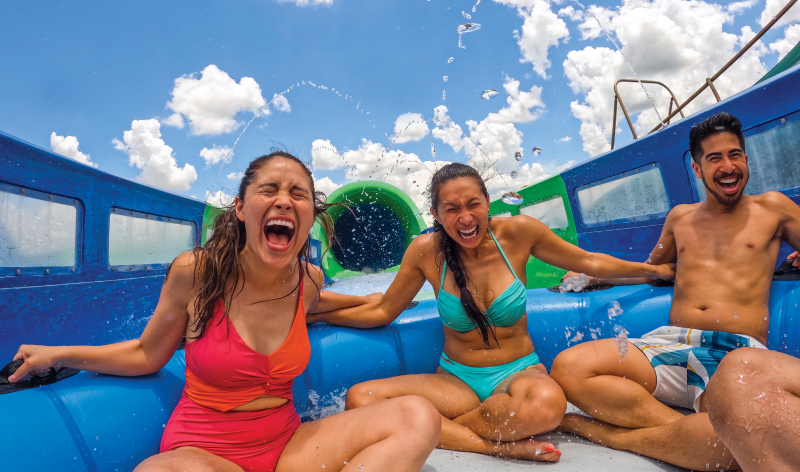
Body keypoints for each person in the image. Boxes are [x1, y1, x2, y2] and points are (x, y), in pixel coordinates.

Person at [9, 152, 441, 472]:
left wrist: (422, 297)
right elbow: (146, 354)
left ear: (311, 215)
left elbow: (367, 307)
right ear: (240, 207)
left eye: (298, 194)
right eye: (269, 190)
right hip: (207, 452)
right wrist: (58, 353)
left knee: (416, 415)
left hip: (289, 444)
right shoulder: (196, 272)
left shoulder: (307, 282)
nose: (284, 201)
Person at [308, 163, 674, 463]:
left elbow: (588, 260)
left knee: (547, 406)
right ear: (435, 214)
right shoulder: (425, 251)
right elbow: (386, 309)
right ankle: (495, 444)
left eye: (473, 204)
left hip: (519, 373)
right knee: (361, 398)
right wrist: (317, 316)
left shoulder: (518, 233)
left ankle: (437, 427)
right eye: (451, 209)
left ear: (488, 201)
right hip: (457, 380)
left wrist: (652, 270)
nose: (465, 218)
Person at [551, 112, 800, 470]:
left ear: (746, 159)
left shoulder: (773, 208)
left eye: (735, 155)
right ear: (698, 169)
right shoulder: (680, 218)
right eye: (714, 159)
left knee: (753, 432)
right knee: (569, 368)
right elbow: (655, 272)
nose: (727, 166)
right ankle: (686, 432)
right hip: (671, 342)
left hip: (735, 354)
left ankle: (617, 436)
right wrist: (595, 279)